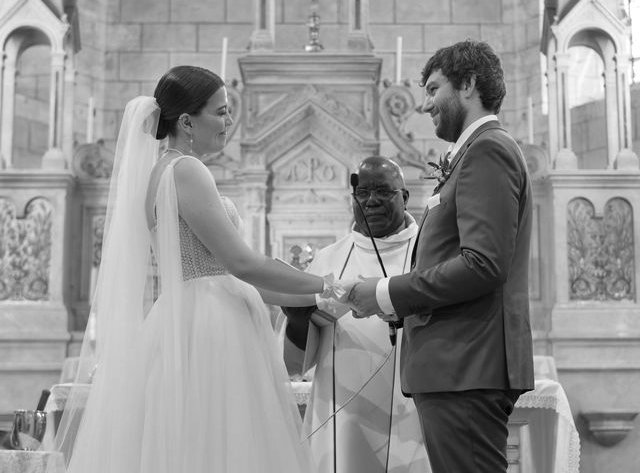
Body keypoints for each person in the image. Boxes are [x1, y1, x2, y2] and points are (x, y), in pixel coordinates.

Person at [52, 65, 343, 473]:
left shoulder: (163, 171)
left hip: (189, 313)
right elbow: (242, 263)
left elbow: (240, 273)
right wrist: (330, 285)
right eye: (221, 112)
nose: (229, 121)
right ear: (187, 121)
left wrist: (314, 294)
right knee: (223, 445)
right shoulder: (186, 170)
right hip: (210, 326)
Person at [346, 40, 535, 473]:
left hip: (467, 363)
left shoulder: (488, 149)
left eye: (434, 89)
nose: (426, 104)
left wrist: (387, 292)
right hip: (457, 364)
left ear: (467, 84)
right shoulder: (472, 154)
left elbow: (482, 263)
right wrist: (395, 309)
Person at [280, 156, 431, 473]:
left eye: (382, 191)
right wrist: (296, 319)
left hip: (413, 413)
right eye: (363, 193)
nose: (371, 200)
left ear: (404, 196)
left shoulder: (429, 252)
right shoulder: (328, 258)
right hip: (342, 413)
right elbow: (297, 364)